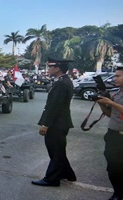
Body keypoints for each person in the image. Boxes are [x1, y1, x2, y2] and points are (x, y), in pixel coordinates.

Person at [32, 58, 76, 187]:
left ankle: (52, 179)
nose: (48, 69)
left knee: (56, 151)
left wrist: (45, 125)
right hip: (60, 122)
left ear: (57, 68)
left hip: (57, 123)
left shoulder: (61, 83)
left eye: (50, 67)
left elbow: (54, 106)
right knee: (58, 150)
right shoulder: (62, 81)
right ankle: (67, 173)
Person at [96, 66, 123, 200]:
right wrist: (102, 103)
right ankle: (117, 193)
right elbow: (109, 114)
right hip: (113, 135)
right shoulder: (116, 93)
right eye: (115, 76)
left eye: (118, 76)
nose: (114, 78)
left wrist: (111, 103)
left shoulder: (114, 97)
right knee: (112, 167)